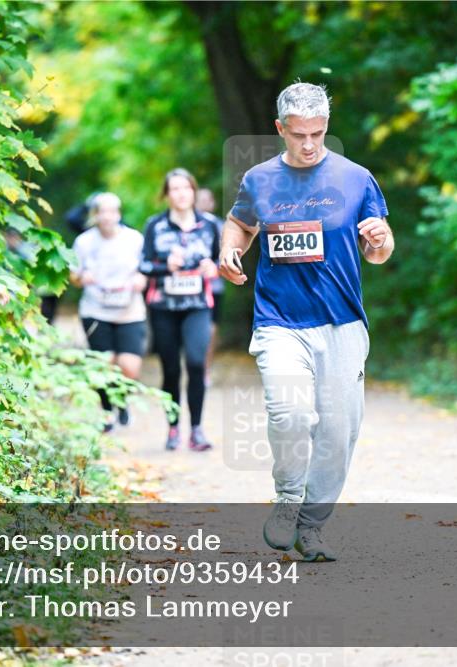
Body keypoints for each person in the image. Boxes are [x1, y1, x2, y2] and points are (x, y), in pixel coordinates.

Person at [218, 82, 393, 561]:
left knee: (339, 433)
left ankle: (311, 526)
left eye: (318, 133)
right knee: (290, 413)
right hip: (280, 322)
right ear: (281, 130)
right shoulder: (259, 179)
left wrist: (379, 239)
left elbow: (379, 253)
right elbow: (240, 223)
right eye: (299, 135)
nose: (310, 144)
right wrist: (229, 251)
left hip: (341, 323)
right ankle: (289, 498)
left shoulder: (356, 178)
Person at [140, 169, 220, 452]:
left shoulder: (210, 225)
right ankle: (173, 427)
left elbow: (226, 260)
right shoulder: (155, 225)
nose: (181, 193)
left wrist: (216, 268)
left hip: (197, 305)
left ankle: (196, 430)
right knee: (171, 369)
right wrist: (165, 267)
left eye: (186, 188)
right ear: (167, 194)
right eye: (174, 189)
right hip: (163, 307)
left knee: (197, 364)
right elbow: (143, 265)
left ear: (194, 191)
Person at [70, 192, 148, 432]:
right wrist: (82, 277)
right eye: (102, 211)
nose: (107, 216)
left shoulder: (134, 239)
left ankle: (122, 401)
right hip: (95, 310)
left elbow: (147, 271)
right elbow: (73, 275)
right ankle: (106, 412)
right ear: (95, 215)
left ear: (119, 214)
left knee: (129, 366)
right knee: (103, 363)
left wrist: (140, 279)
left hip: (130, 309)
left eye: (112, 211)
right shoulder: (83, 242)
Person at [195, 187, 225, 385]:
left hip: (213, 287)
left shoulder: (219, 225)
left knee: (210, 329)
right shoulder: (184, 223)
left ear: (213, 203)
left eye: (207, 199)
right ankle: (193, 367)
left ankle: (205, 369)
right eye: (200, 199)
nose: (203, 202)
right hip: (186, 288)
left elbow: (227, 254)